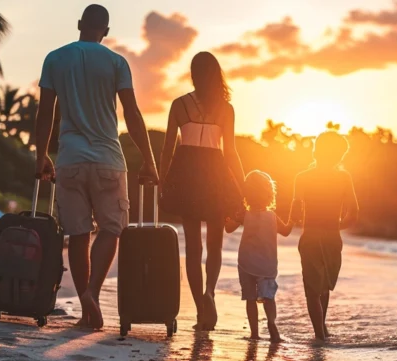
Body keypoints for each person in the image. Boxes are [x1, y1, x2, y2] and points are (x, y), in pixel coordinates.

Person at [34, 4, 158, 331]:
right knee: (111, 229)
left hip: (70, 159)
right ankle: (91, 294)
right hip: (107, 159)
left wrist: (41, 156)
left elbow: (45, 113)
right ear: (105, 31)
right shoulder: (117, 62)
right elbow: (132, 114)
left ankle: (87, 315)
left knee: (77, 233)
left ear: (79, 24)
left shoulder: (55, 59)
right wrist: (149, 159)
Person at [159, 52, 245, 331]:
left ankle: (199, 308)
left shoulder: (179, 105)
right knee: (215, 244)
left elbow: (168, 147)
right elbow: (230, 152)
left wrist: (162, 179)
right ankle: (210, 292)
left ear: (194, 74)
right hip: (215, 173)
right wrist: (242, 186)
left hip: (186, 173)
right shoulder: (225, 108)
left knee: (193, 247)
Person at [290, 132, 359, 341]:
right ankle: (322, 332)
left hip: (310, 235)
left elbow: (295, 212)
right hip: (332, 237)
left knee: (312, 289)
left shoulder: (302, 177)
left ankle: (320, 334)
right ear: (340, 155)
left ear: (316, 151)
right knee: (324, 285)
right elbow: (353, 213)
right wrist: (335, 226)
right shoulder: (344, 177)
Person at [225, 171, 292, 343]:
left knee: (250, 298)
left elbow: (228, 228)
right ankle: (271, 324)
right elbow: (286, 231)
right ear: (269, 193)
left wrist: (229, 215)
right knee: (268, 297)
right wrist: (294, 218)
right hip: (266, 263)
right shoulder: (272, 216)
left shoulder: (244, 215)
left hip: (246, 262)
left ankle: (254, 333)